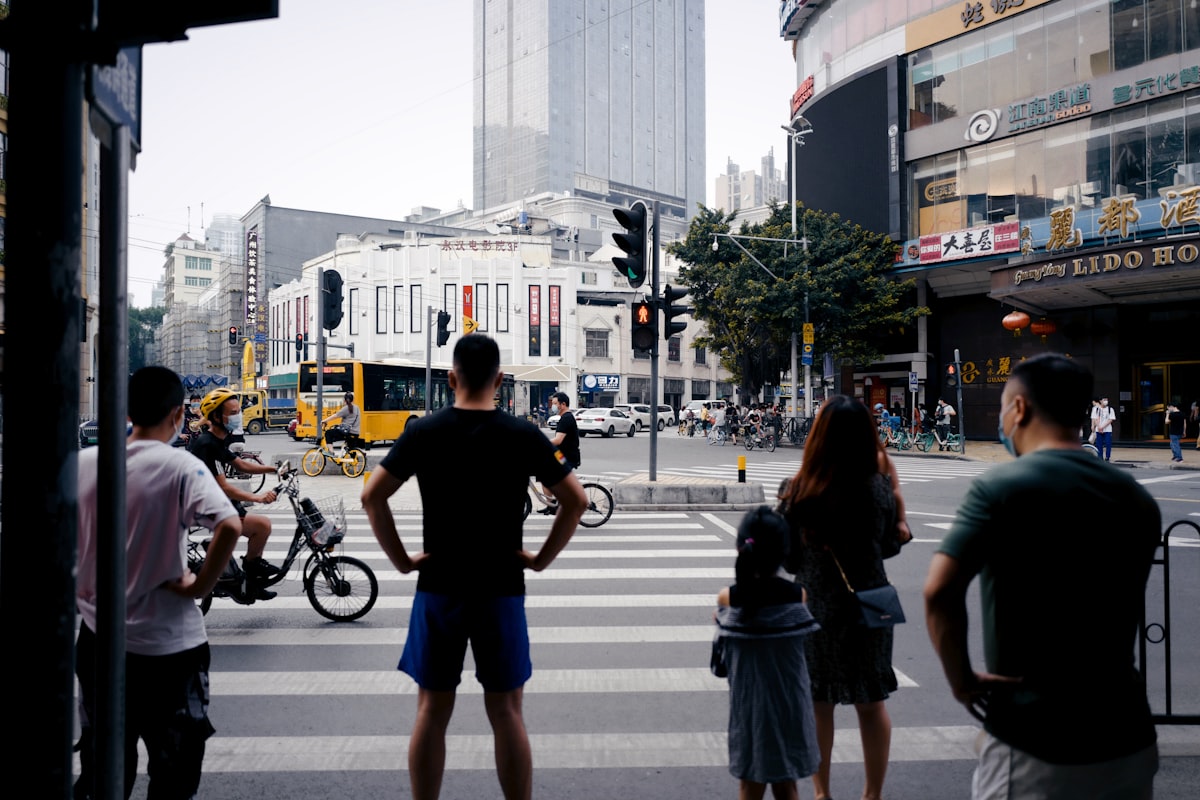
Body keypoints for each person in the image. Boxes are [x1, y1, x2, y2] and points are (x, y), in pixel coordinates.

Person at [361, 334, 588, 800]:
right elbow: (576, 501)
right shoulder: (522, 434)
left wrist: (403, 561)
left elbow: (372, 496)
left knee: (431, 709)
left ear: (450, 378)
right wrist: (540, 560)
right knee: (506, 710)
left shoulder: (423, 431)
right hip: (501, 587)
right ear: (500, 381)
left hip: (439, 586)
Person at [924, 353, 1160, 800]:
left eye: (1001, 407)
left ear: (1019, 409)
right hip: (1128, 735)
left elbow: (939, 592)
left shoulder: (1000, 488)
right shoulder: (1136, 499)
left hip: (1034, 739)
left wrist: (961, 681)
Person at [75, 367, 243, 800]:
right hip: (172, 650)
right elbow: (227, 525)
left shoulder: (83, 465)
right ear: (178, 413)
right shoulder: (181, 466)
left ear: (128, 411)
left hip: (99, 643)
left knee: (106, 766)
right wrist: (199, 587)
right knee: (175, 773)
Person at [779, 396, 912, 800]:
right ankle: (872, 794)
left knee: (819, 703)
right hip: (869, 604)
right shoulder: (877, 487)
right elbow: (889, 544)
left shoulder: (798, 489)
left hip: (816, 608)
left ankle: (822, 794)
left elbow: (788, 559)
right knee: (871, 702)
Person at [715, 506, 821, 800]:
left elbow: (721, 657)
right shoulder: (797, 595)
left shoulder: (730, 599)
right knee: (787, 785)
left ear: (741, 547)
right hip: (790, 704)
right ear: (784, 552)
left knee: (750, 785)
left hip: (750, 707)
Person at [190, 387, 281, 601]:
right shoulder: (206, 444)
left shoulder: (217, 440)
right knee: (262, 525)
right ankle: (244, 581)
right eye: (232, 412)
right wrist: (257, 498)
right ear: (216, 417)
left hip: (218, 503)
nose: (238, 416)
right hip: (208, 507)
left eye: (238, 411)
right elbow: (224, 487)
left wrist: (273, 469)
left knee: (261, 526)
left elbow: (239, 464)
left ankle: (251, 579)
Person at [1094, 395, 1116, 461]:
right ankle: (1100, 457)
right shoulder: (1097, 409)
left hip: (1108, 430)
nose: (1106, 401)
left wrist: (1102, 427)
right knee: (1099, 444)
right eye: (1104, 400)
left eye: (1107, 400)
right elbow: (1095, 419)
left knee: (1108, 443)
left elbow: (1111, 419)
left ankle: (1107, 457)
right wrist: (1099, 427)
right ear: (1100, 401)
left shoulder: (1110, 409)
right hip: (1098, 430)